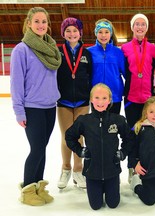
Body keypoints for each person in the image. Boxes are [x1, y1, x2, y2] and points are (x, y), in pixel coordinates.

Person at [10, 7, 62, 206]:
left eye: (44, 22)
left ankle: (38, 186)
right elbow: (16, 83)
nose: (41, 25)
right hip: (33, 107)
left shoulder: (51, 47)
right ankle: (28, 189)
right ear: (29, 23)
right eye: (37, 21)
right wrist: (19, 111)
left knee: (43, 148)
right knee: (37, 149)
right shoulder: (21, 50)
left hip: (50, 106)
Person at [65, 83, 134, 210]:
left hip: (112, 171)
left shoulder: (117, 120)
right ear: (91, 99)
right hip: (92, 172)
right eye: (96, 98)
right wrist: (80, 151)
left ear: (109, 100)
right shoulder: (84, 120)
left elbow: (129, 138)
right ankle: (97, 188)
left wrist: (123, 153)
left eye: (104, 98)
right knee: (95, 206)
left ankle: (110, 187)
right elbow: (69, 136)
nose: (100, 102)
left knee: (113, 204)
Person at [121, 13, 155, 183]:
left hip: (147, 100)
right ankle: (131, 167)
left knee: (146, 135)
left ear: (146, 28)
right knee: (131, 135)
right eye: (136, 24)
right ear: (132, 27)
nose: (139, 27)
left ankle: (145, 166)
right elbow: (120, 70)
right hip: (130, 99)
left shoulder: (152, 47)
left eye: (143, 24)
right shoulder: (124, 48)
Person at [56, 17, 92, 189]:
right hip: (63, 101)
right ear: (63, 33)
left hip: (83, 102)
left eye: (75, 30)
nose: (72, 34)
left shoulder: (86, 53)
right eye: (68, 31)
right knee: (66, 137)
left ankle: (79, 170)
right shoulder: (57, 52)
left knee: (80, 137)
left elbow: (91, 76)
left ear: (80, 33)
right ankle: (65, 168)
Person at [88, 18, 125, 114]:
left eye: (106, 32)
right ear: (96, 33)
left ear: (111, 33)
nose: (103, 35)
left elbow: (126, 73)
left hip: (114, 96)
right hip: (96, 96)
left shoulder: (118, 52)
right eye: (100, 32)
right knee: (97, 126)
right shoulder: (89, 52)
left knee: (113, 126)